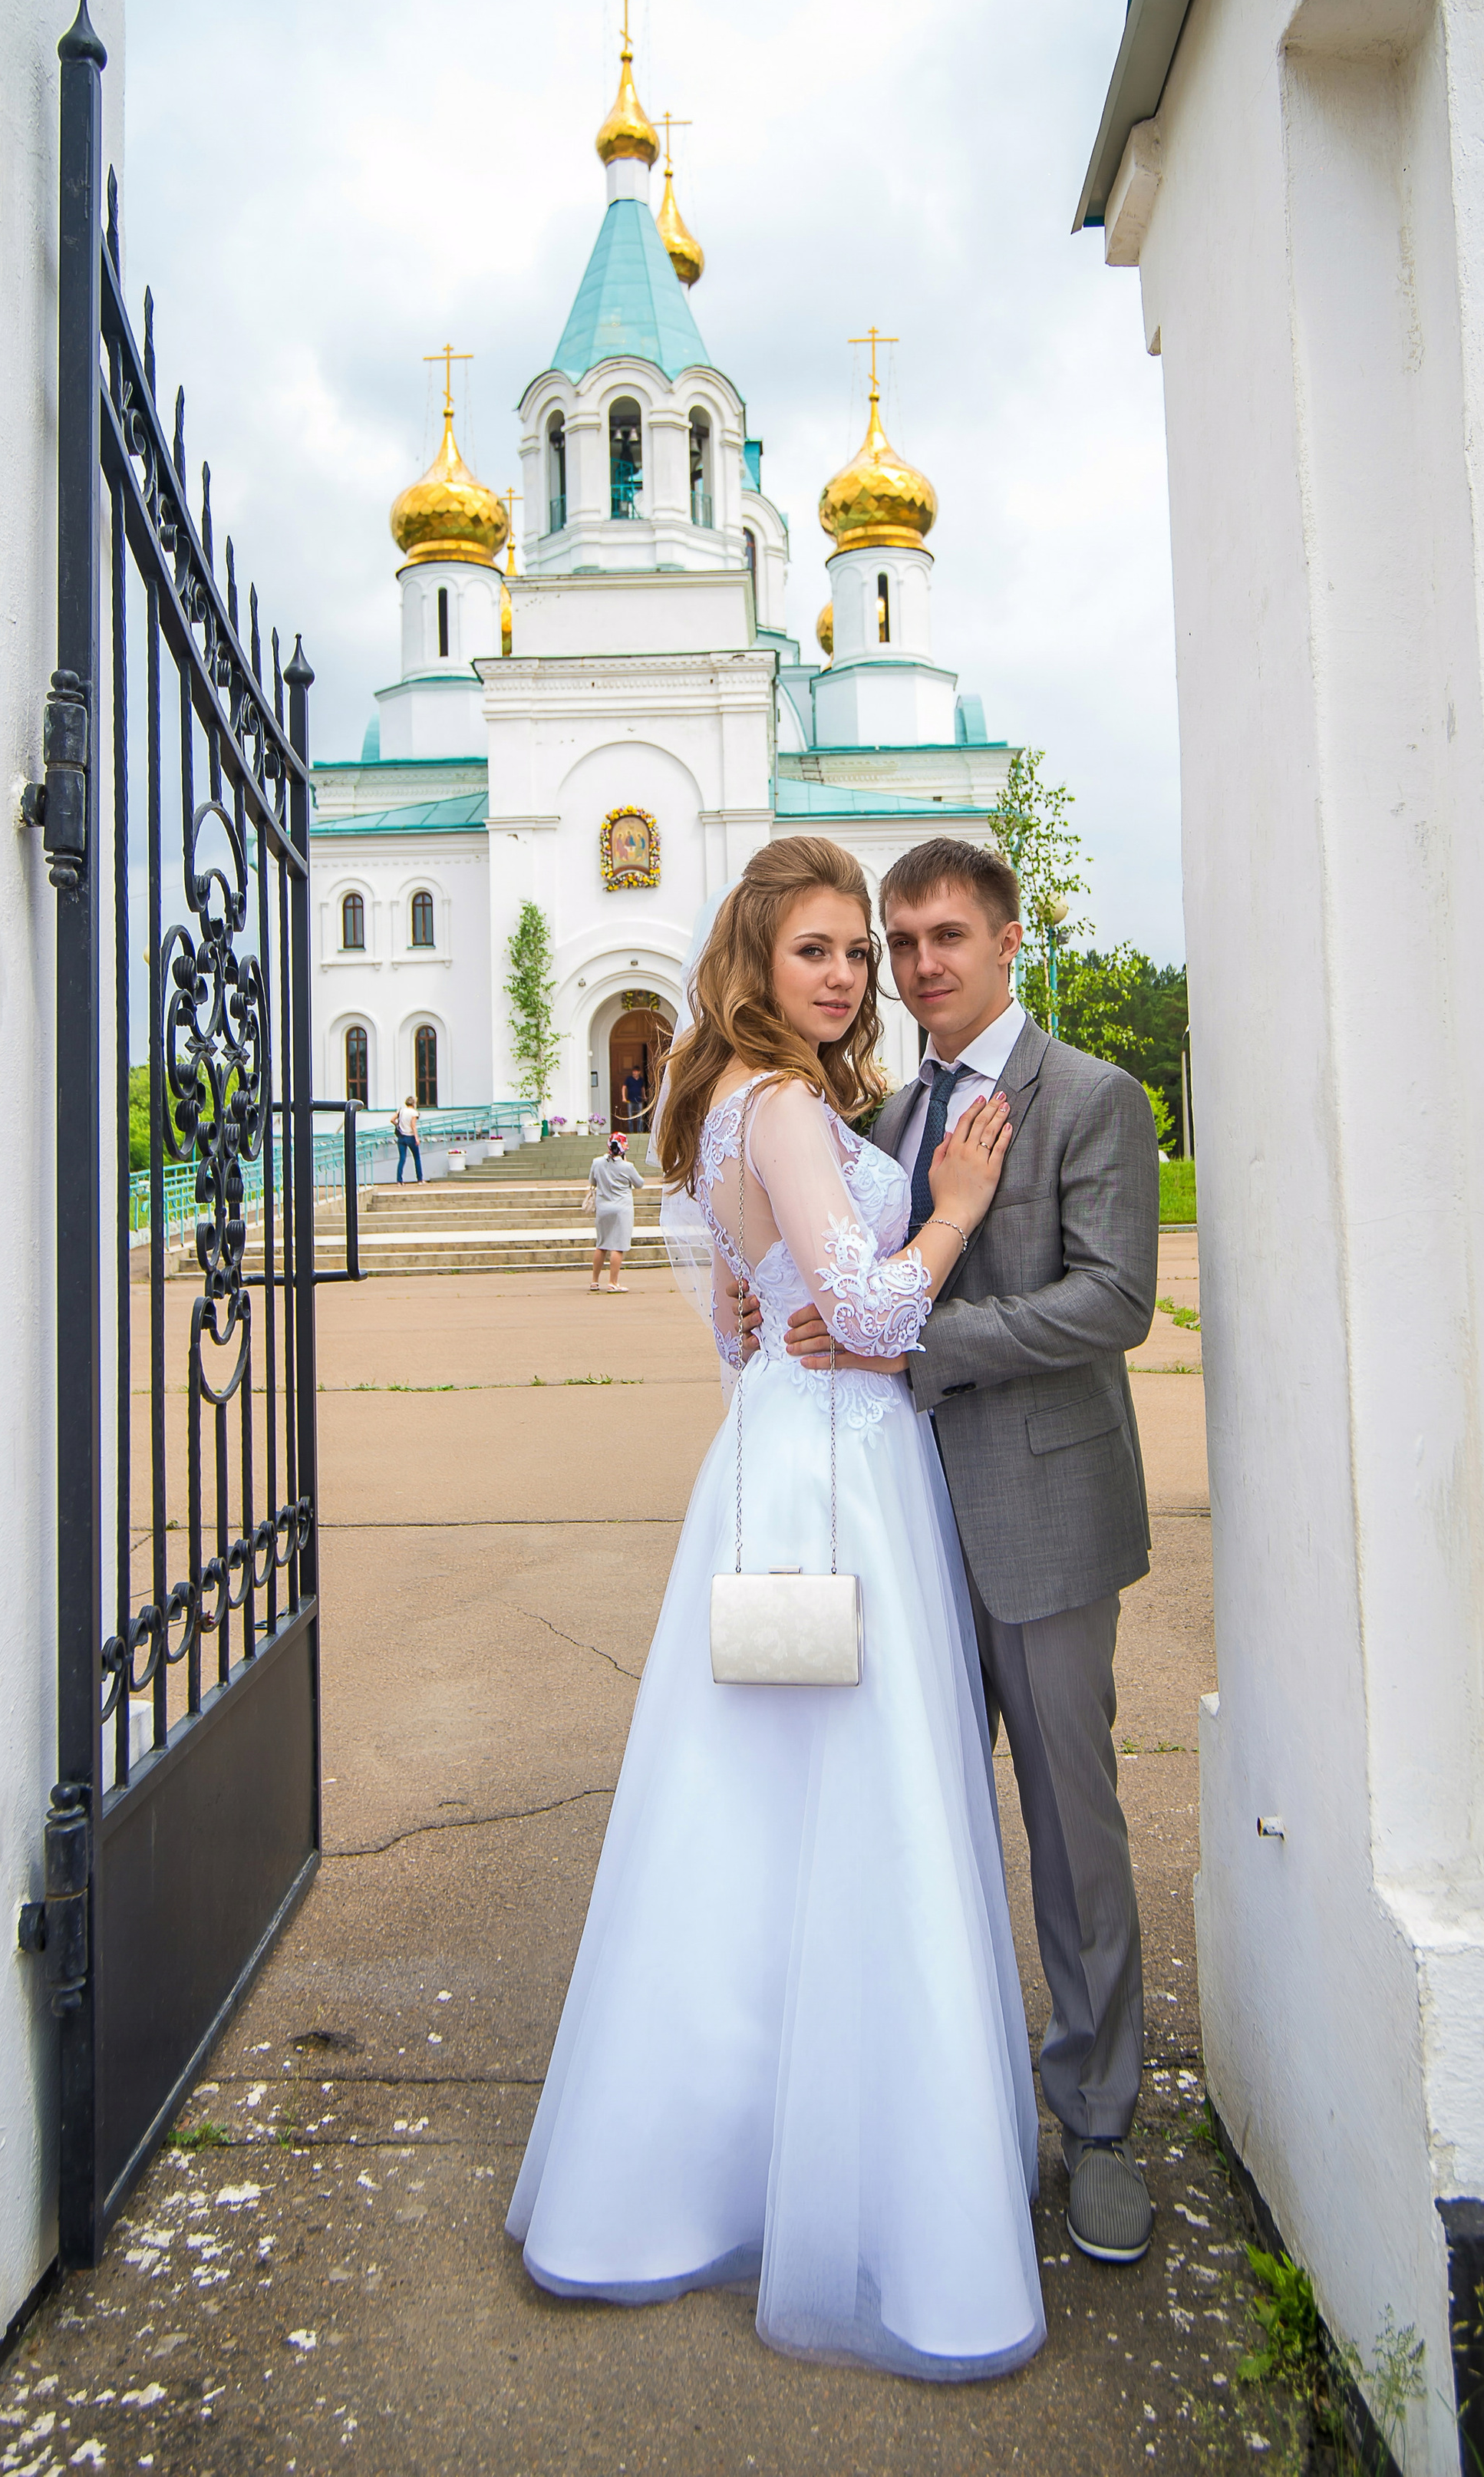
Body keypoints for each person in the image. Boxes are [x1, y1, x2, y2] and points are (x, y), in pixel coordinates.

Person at [507, 836, 1044, 2382]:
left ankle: (696, 2163)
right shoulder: (791, 1107)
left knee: (744, 1805)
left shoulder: (722, 1108)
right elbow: (866, 1309)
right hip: (840, 1467)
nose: (850, 976)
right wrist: (950, 1208)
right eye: (818, 949)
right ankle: (860, 2162)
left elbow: (743, 1323)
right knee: (855, 1800)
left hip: (775, 1448)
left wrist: (766, 1306)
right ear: (755, 960)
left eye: (859, 953)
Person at [769, 836, 1159, 2268]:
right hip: (906, 1523)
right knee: (914, 1824)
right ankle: (942, 2108)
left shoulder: (1091, 1098)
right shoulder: (876, 1112)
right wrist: (772, 1307)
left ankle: (1100, 2124)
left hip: (1044, 1524)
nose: (920, 964)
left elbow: (1113, 1300)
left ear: (1006, 941)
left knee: (1073, 1832)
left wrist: (915, 1342)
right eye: (901, 941)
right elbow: (846, 1276)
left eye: (948, 936)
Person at [585, 1130, 644, 1291]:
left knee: (601, 1245)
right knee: (618, 1246)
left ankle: (594, 1281)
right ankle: (613, 1282)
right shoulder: (627, 1166)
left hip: (603, 1208)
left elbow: (592, 1181)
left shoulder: (597, 1162)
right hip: (622, 1209)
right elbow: (639, 1183)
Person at [393, 1093, 423, 1184]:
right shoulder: (414, 1112)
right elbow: (413, 1126)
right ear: (414, 1103)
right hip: (410, 1136)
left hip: (401, 1137)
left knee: (402, 1158)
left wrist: (398, 1125)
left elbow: (392, 1119)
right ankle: (420, 1179)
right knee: (416, 1158)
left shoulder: (401, 1110)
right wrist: (417, 1138)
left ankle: (399, 1180)